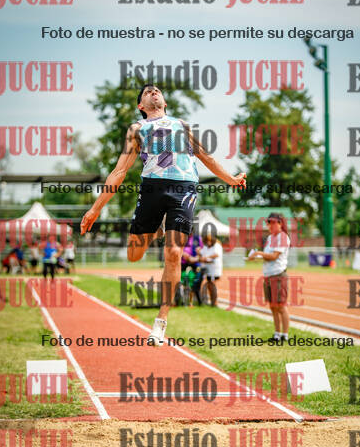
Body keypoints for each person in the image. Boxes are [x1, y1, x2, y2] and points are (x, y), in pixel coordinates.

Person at [80, 84, 246, 345]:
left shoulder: (182, 125)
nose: (153, 92)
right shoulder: (137, 129)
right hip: (152, 189)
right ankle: (155, 229)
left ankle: (160, 322)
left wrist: (231, 179)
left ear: (165, 101)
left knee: (174, 253)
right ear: (141, 106)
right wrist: (95, 209)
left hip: (184, 188)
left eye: (156, 90)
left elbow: (206, 157)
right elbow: (119, 172)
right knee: (134, 255)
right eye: (147, 92)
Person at [248, 212, 290, 342]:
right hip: (268, 275)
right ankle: (277, 334)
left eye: (273, 223)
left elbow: (274, 256)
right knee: (272, 306)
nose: (270, 225)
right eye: (269, 223)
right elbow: (268, 256)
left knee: (281, 306)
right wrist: (257, 257)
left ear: (280, 223)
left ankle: (285, 335)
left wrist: (258, 253)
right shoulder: (270, 238)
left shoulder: (283, 237)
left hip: (278, 275)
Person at [200, 233, 223, 306]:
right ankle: (212, 300)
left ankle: (214, 301)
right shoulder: (206, 246)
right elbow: (201, 253)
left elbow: (216, 254)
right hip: (208, 268)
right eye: (206, 240)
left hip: (215, 269)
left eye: (209, 240)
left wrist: (207, 257)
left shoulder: (217, 245)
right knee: (209, 284)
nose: (208, 242)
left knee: (213, 284)